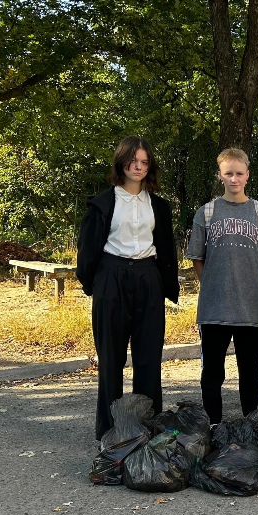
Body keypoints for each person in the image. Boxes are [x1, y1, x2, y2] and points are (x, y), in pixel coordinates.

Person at [77, 137, 180, 441]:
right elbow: (87, 250)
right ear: (121, 163)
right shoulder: (103, 203)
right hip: (112, 276)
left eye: (144, 161)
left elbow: (165, 247)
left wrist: (165, 282)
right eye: (133, 161)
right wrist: (95, 283)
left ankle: (146, 427)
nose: (138, 167)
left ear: (150, 166)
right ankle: (110, 431)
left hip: (148, 277)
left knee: (148, 357)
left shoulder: (158, 206)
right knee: (111, 358)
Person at [185, 147, 258, 424]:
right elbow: (198, 258)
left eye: (239, 173)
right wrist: (214, 284)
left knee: (250, 369)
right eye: (229, 174)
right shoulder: (207, 212)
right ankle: (213, 424)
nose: (234, 179)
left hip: (251, 306)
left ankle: (250, 423)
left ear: (247, 175)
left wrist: (249, 281)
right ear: (220, 175)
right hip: (215, 305)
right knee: (212, 370)